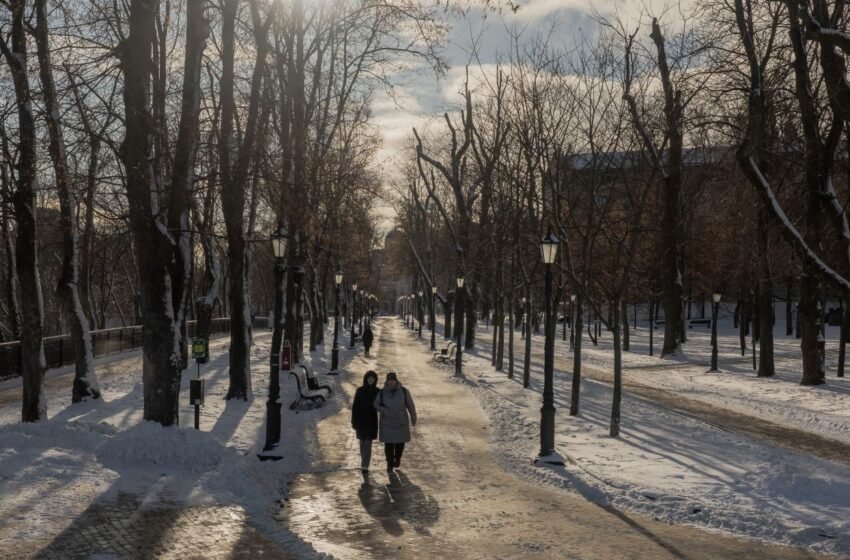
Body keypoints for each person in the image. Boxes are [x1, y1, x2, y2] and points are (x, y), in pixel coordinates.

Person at [374, 371, 416, 473]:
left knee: (400, 443)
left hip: (400, 421)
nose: (391, 382)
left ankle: (397, 458)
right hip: (387, 422)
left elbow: (410, 405)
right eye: (389, 380)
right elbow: (376, 404)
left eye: (393, 380)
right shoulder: (382, 392)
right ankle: (389, 463)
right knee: (388, 444)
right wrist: (383, 410)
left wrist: (413, 416)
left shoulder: (404, 391)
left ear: (396, 380)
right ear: (387, 381)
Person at [352, 370, 380, 472]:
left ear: (375, 380)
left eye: (373, 378)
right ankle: (364, 461)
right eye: (369, 378)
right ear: (366, 379)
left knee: (368, 443)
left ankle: (365, 465)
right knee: (362, 443)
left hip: (372, 422)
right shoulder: (360, 390)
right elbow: (355, 407)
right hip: (360, 421)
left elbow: (381, 405)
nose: (371, 380)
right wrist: (354, 421)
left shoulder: (378, 391)